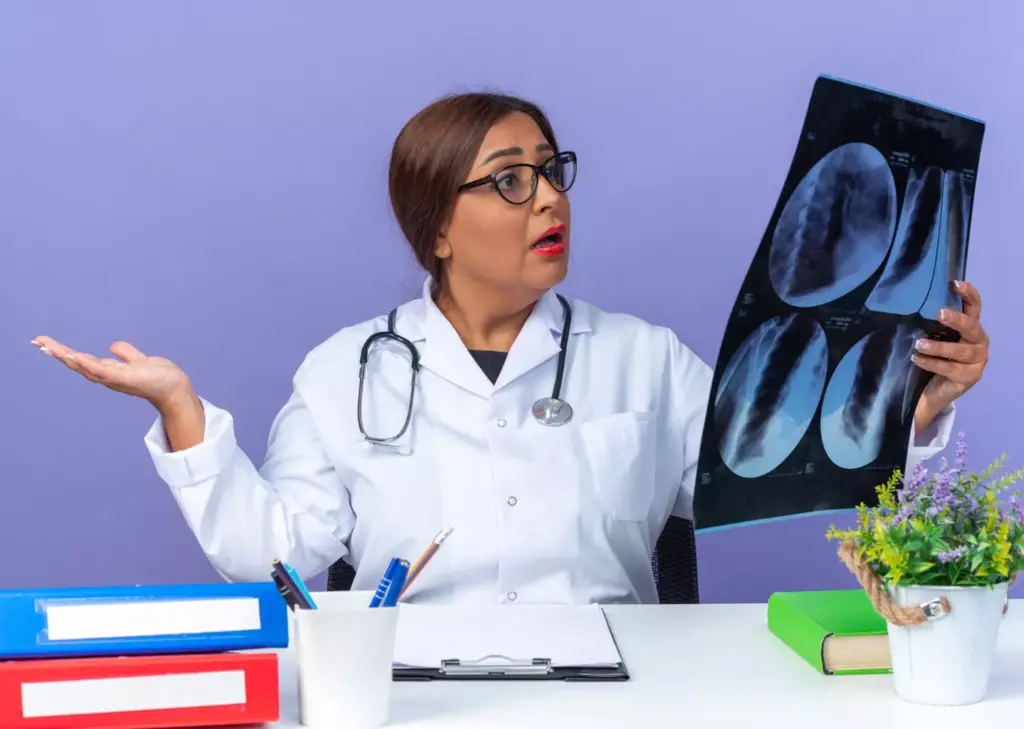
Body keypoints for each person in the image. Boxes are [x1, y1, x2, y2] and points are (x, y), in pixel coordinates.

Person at [31, 93, 991, 605]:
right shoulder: (343, 370)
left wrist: (918, 404)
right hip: (414, 695)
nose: (549, 198)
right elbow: (269, 554)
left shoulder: (642, 356)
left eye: (552, 171)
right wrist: (182, 413)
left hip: (621, 688)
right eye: (509, 181)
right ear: (435, 229)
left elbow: (760, 472)